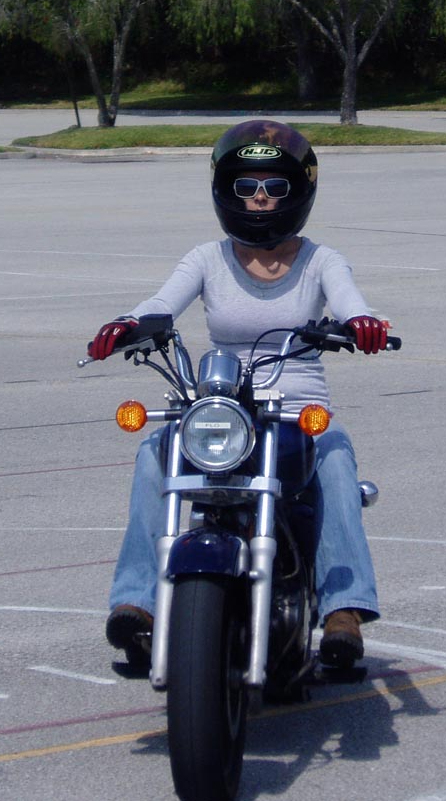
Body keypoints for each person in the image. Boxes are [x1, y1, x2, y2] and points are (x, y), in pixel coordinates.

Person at [87, 119, 389, 669]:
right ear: (226, 191)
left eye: (274, 186)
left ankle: (344, 610)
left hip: (296, 408)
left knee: (336, 460)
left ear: (298, 192)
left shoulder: (321, 260)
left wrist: (362, 323)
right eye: (246, 186)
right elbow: (161, 303)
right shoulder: (207, 258)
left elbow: (350, 301)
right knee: (154, 452)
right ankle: (137, 602)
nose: (260, 198)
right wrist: (127, 324)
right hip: (221, 404)